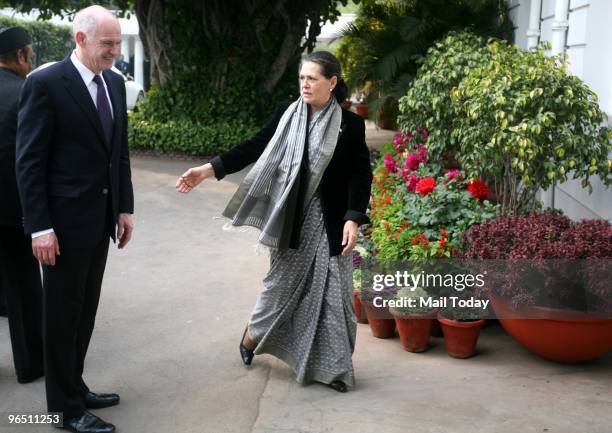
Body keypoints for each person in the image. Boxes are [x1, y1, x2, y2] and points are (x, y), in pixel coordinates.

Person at [176, 51, 372, 393]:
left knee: (331, 293)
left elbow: (359, 174)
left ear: (333, 82)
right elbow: (253, 147)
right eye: (302, 78)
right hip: (293, 218)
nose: (305, 84)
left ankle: (335, 368)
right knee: (280, 285)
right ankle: (253, 334)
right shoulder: (288, 114)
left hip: (331, 222)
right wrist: (208, 170)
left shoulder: (349, 125)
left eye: (313, 78)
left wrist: (354, 219)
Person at [16, 6, 134, 433]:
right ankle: (64, 410)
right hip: (60, 227)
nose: (115, 52)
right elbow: (29, 162)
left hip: (99, 221)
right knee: (62, 317)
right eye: (108, 44)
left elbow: (118, 152)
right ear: (80, 39)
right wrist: (39, 227)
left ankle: (75, 386)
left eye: (118, 43)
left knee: (83, 312)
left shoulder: (115, 84)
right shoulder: (46, 84)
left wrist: (124, 207)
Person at [0, 26, 44, 384]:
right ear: (19, 56)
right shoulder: (25, 91)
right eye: (30, 52)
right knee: (24, 288)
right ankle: (30, 365)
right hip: (14, 211)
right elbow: (33, 157)